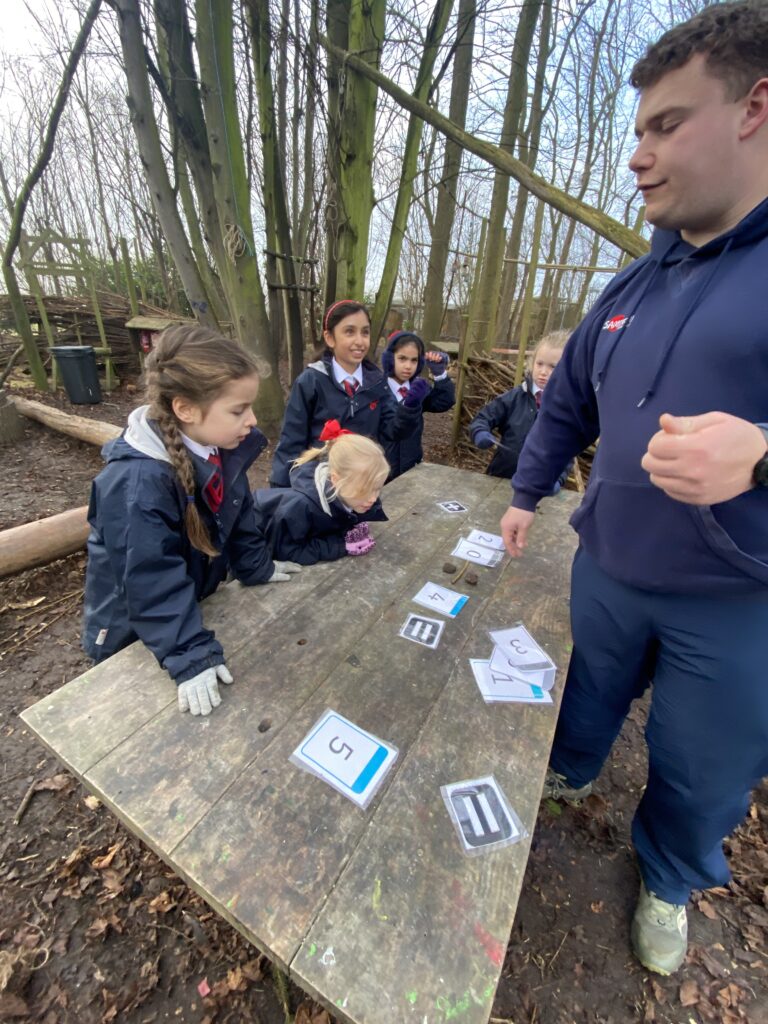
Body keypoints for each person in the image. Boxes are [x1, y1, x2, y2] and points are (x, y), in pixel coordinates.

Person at [500, 0, 768, 977]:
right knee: (586, 698)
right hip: (607, 563)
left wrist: (762, 455)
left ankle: (666, 874)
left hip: (742, 602)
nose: (638, 155)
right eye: (637, 130)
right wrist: (528, 494)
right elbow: (566, 405)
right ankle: (568, 773)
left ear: (755, 107)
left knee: (703, 767)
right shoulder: (625, 288)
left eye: (667, 125)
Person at [82, 325, 301, 717]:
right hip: (134, 639)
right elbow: (150, 578)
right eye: (238, 409)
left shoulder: (216, 446)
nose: (252, 420)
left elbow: (238, 515)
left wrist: (256, 567)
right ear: (185, 408)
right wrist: (188, 654)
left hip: (186, 614)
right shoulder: (136, 484)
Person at [269, 300, 421, 487]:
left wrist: (409, 408)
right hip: (319, 486)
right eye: (349, 331)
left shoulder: (378, 382)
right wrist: (281, 494)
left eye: (365, 332)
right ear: (330, 337)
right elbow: (290, 443)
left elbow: (392, 430)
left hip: (363, 486)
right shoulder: (311, 382)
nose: (359, 341)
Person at [253, 420, 389, 564]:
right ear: (336, 480)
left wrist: (349, 528)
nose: (373, 499)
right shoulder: (301, 508)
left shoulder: (348, 495)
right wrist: (340, 546)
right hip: (251, 550)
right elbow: (287, 551)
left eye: (377, 488)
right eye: (365, 490)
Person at [469, 330, 569, 479]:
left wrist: (559, 479)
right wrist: (480, 432)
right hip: (501, 476)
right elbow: (482, 418)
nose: (543, 371)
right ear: (532, 363)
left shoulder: (567, 409)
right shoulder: (514, 398)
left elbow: (567, 451)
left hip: (538, 486)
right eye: (540, 363)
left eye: (552, 367)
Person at [381, 330, 455, 479]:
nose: (408, 366)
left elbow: (443, 402)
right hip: (381, 469)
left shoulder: (418, 389)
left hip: (411, 467)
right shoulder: (376, 389)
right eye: (402, 359)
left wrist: (440, 375)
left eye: (414, 360)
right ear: (390, 359)